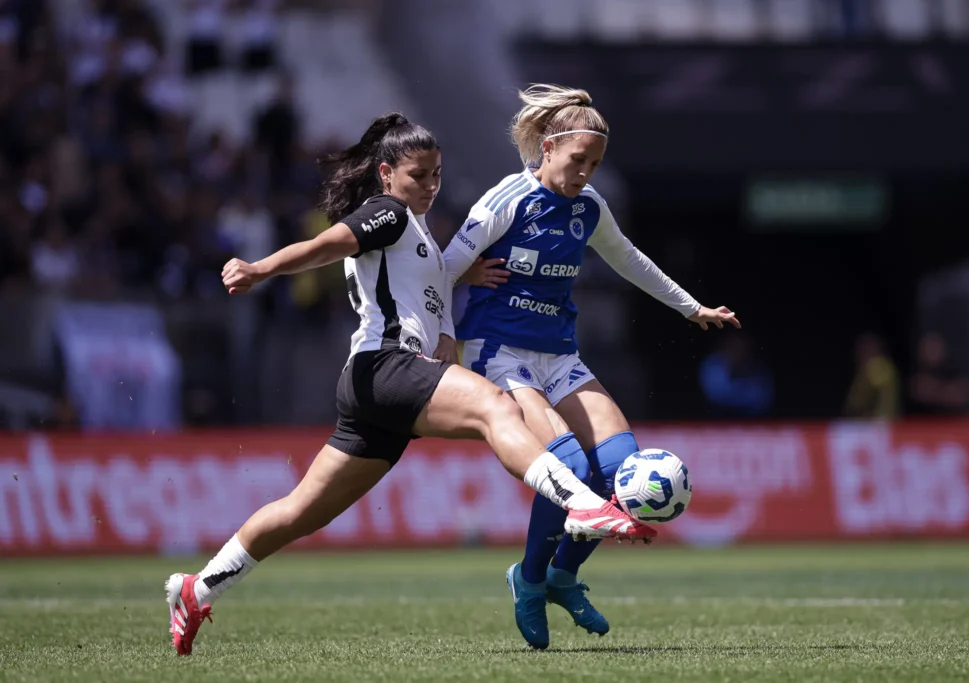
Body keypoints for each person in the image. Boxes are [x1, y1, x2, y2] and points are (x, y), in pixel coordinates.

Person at [164, 112, 656, 656]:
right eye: (418, 175)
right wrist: (261, 269)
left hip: (377, 389)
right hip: (386, 367)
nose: (430, 185)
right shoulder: (388, 212)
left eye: (436, 174)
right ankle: (581, 503)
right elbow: (329, 243)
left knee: (299, 511)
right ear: (386, 174)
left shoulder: (417, 228)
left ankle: (197, 588)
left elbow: (426, 284)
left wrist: (449, 317)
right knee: (497, 406)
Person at [441, 84, 740, 650]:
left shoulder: (589, 207)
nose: (585, 173)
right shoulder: (507, 199)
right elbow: (440, 267)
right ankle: (529, 581)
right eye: (578, 160)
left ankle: (562, 575)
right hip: (498, 353)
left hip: (558, 353)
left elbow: (628, 258)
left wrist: (691, 307)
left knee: (620, 466)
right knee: (570, 465)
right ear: (548, 148)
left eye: (595, 164)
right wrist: (452, 302)